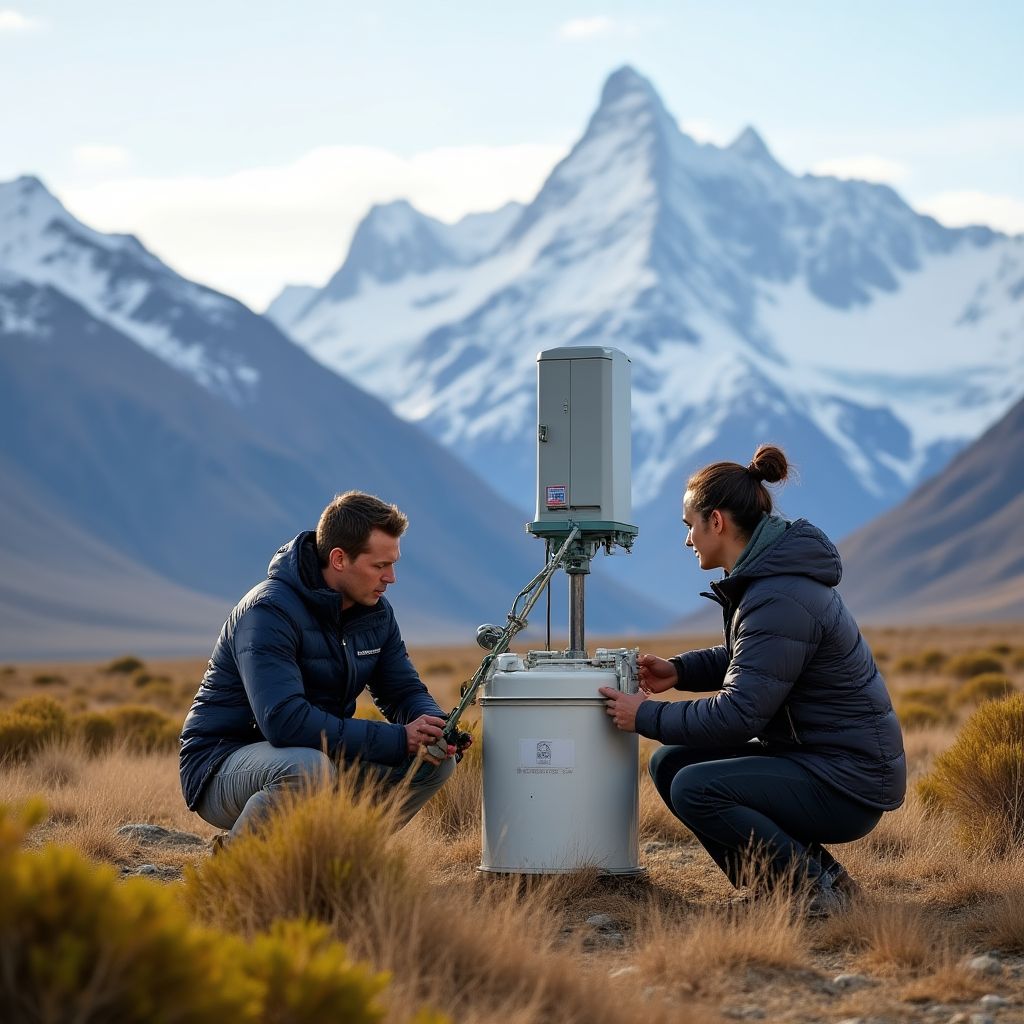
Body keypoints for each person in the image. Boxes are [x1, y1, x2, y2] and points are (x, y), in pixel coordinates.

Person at [599, 445, 905, 914]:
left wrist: (645, 715)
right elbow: (754, 658)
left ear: (716, 522)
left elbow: (739, 714)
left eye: (689, 527)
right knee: (671, 764)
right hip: (824, 760)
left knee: (696, 787)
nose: (687, 542)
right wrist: (680, 670)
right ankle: (818, 882)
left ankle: (802, 897)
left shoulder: (778, 593)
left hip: (848, 781)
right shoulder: (774, 582)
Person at [180, 491, 464, 844]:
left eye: (393, 564)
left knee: (432, 763)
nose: (391, 578)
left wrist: (435, 728)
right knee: (307, 769)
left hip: (320, 755)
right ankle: (235, 871)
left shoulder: (375, 613)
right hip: (222, 765)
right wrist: (397, 738)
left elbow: (402, 691)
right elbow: (283, 722)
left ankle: (341, 859)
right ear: (339, 559)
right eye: (379, 565)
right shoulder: (268, 611)